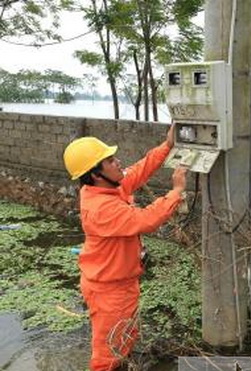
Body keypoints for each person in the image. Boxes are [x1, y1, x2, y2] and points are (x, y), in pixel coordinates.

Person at [63, 124, 187, 370]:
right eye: (109, 160)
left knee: (123, 341)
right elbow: (145, 220)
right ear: (96, 173)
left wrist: (167, 145)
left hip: (118, 283)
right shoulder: (101, 208)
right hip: (109, 291)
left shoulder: (105, 187)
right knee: (107, 357)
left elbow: (139, 170)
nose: (117, 162)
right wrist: (176, 192)